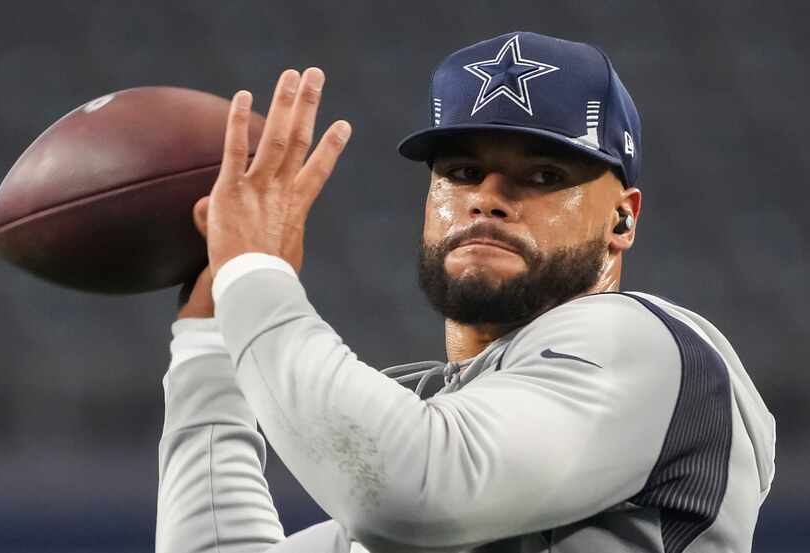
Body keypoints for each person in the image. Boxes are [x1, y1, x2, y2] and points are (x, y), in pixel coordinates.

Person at [157, 32, 776, 553]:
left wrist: (257, 273)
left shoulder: (647, 345)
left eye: (543, 175)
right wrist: (208, 341)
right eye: (461, 172)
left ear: (622, 220)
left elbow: (410, 490)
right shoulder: (435, 423)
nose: (487, 198)